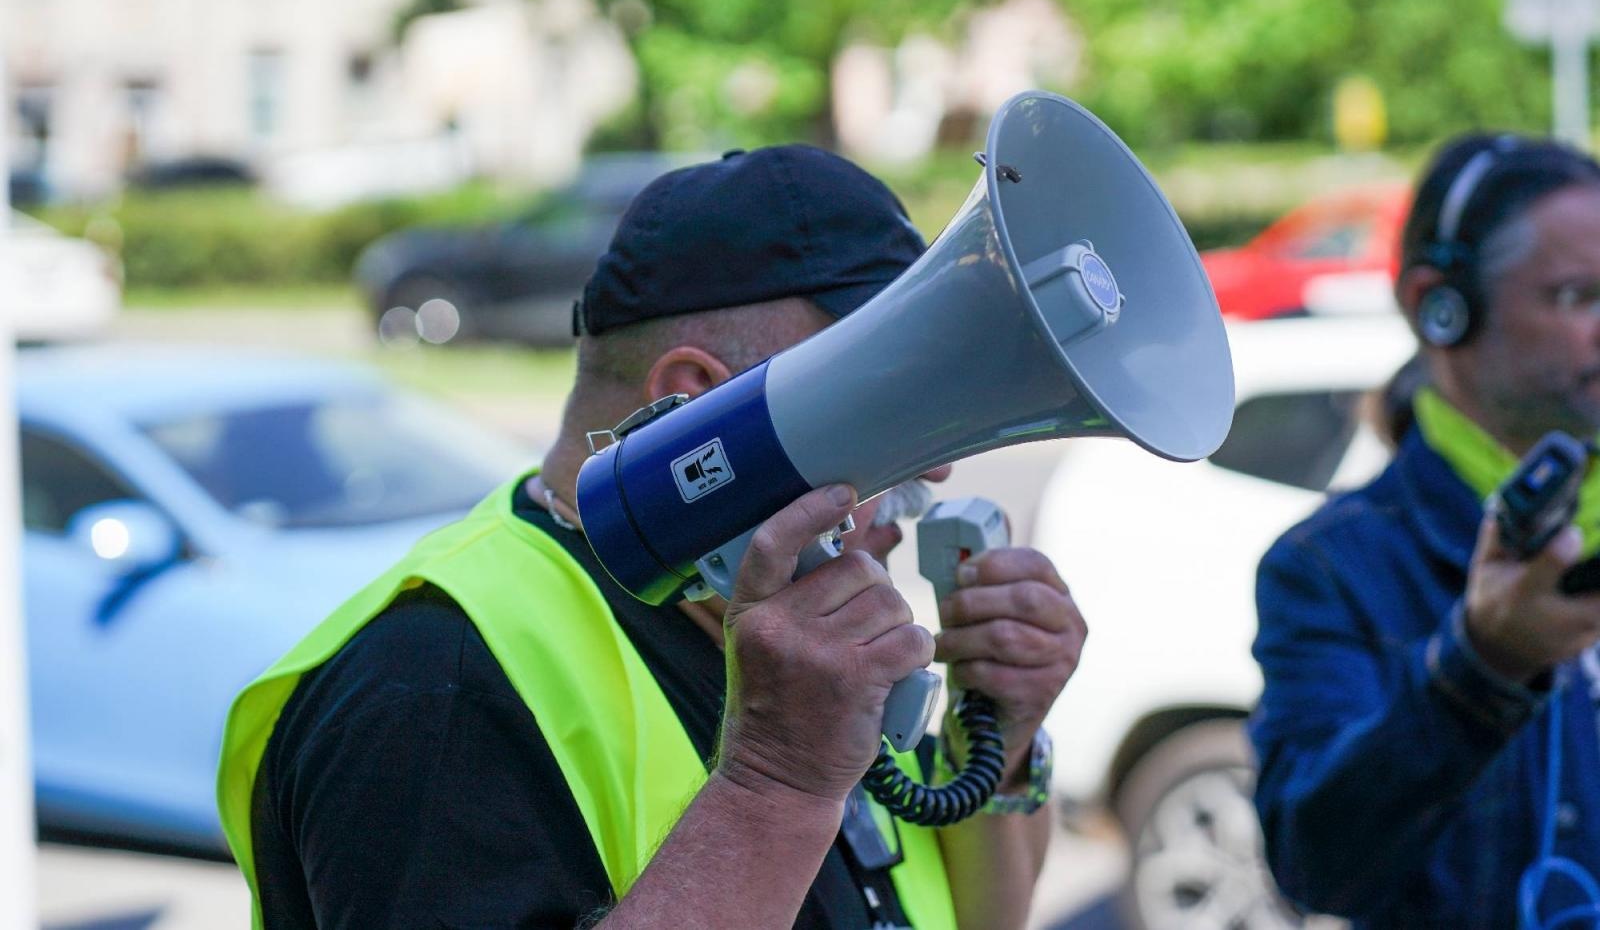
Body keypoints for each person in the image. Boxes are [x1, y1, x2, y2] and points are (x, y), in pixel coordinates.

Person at [217, 145, 1089, 930]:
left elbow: (983, 918)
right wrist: (775, 787)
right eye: (891, 406)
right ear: (697, 411)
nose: (934, 469)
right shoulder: (428, 688)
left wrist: (997, 745)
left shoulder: (788, 623)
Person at [1249, 132, 1600, 929]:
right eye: (1579, 296)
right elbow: (1314, 864)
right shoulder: (1330, 566)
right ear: (1437, 305)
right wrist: (1482, 667)